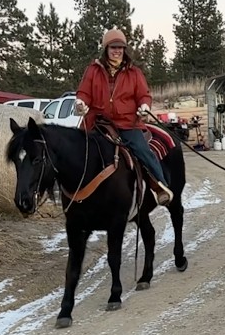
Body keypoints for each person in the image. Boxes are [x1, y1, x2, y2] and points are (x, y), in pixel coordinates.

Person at [73, 29, 173, 205]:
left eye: (120, 47)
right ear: (106, 49)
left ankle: (160, 186)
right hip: (98, 121)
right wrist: (80, 103)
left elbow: (144, 95)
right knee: (77, 149)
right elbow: (84, 92)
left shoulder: (134, 73)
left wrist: (144, 106)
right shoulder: (92, 70)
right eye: (113, 47)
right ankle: (75, 189)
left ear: (125, 49)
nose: (117, 50)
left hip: (127, 123)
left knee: (142, 151)